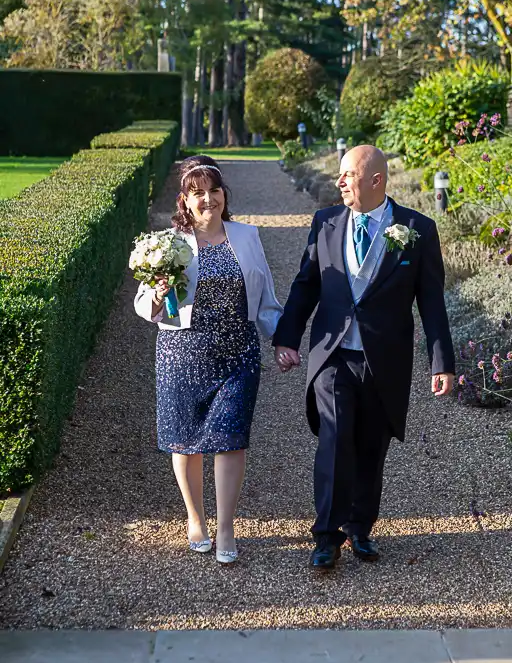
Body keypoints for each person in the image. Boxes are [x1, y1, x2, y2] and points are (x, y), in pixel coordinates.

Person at [273, 145, 455, 569]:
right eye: (339, 174)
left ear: (376, 180)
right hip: (332, 354)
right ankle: (326, 535)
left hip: (383, 358)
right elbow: (306, 285)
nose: (339, 182)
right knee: (335, 439)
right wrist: (288, 337)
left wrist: (441, 361)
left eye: (348, 174)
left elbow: (431, 302)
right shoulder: (326, 223)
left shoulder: (418, 229)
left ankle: (360, 528)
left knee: (372, 446)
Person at [135, 155, 282, 564]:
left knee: (231, 439)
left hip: (238, 352)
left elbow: (266, 298)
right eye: (197, 193)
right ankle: (195, 517)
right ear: (185, 199)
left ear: (223, 195)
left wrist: (283, 340)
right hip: (183, 352)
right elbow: (148, 309)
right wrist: (155, 290)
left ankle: (227, 524)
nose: (208, 200)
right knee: (186, 439)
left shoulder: (248, 236)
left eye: (213, 191)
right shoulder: (167, 244)